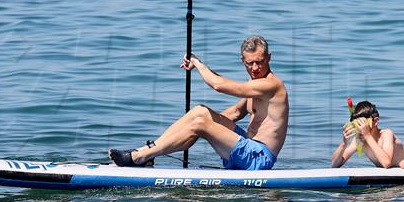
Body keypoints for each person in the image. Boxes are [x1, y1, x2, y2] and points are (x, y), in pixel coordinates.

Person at [110, 35, 288, 170]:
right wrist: (199, 128)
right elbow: (233, 113)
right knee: (199, 112)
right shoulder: (254, 86)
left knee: (201, 122)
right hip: (247, 148)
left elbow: (218, 85)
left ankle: (139, 157)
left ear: (269, 58)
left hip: (259, 158)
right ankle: (147, 152)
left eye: (260, 62)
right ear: (243, 61)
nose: (255, 68)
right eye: (250, 63)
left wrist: (197, 64)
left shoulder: (271, 85)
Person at [330, 100, 404, 181]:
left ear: (375, 121)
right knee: (401, 164)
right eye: (357, 124)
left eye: (363, 123)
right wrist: (344, 144)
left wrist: (368, 136)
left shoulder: (386, 134)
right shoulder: (360, 141)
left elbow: (386, 163)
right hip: (402, 165)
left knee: (402, 163)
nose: (360, 128)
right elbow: (335, 165)